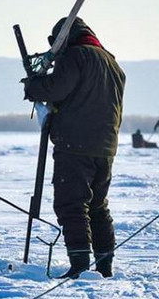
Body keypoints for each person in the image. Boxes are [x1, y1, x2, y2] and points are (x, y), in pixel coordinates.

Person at [22, 17, 126, 278]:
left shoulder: (76, 57)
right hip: (105, 147)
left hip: (75, 144)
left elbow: (57, 88)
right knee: (97, 206)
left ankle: (79, 265)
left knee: (72, 204)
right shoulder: (112, 63)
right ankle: (104, 266)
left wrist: (33, 86)